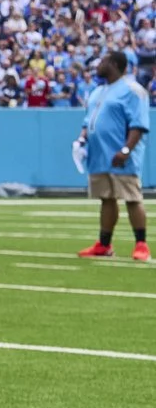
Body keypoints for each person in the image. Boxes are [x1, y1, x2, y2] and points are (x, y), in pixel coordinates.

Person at [77, 49, 151, 261]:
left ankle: (141, 244)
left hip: (121, 155)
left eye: (103, 61)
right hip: (100, 155)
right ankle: (104, 244)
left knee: (132, 198)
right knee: (106, 198)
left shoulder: (132, 90)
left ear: (115, 64)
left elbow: (138, 125)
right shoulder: (98, 91)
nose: (98, 65)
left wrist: (126, 150)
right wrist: (80, 141)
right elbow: (88, 122)